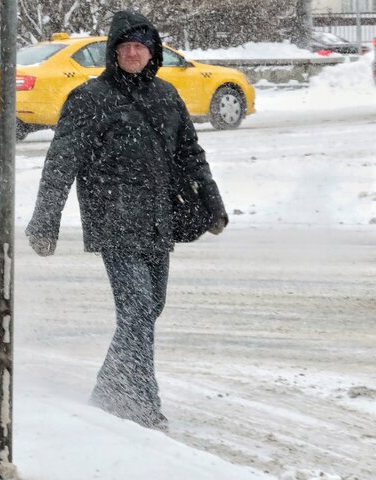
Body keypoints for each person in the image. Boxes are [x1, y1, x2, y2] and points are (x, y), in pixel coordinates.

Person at [26, 10, 228, 430]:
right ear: (113, 52)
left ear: (152, 51)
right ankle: (140, 406)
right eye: (125, 47)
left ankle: (109, 392)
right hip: (113, 219)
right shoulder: (90, 98)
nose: (133, 53)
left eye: (141, 46)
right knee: (136, 310)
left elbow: (190, 154)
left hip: (158, 219)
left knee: (149, 309)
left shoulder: (167, 96)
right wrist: (45, 220)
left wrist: (213, 204)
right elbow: (61, 161)